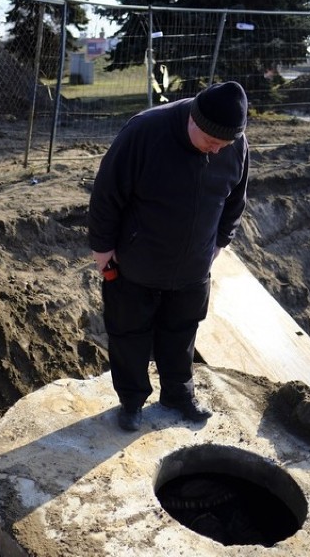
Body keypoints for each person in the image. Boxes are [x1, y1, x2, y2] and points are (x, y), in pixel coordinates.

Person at [88, 81, 249, 432]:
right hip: (137, 261)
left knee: (182, 330)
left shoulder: (231, 144)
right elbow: (106, 194)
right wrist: (103, 250)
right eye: (212, 142)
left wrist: (220, 242)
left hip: (193, 267)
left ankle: (177, 394)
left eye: (225, 144)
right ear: (194, 119)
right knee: (129, 333)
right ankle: (131, 401)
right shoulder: (145, 131)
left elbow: (235, 198)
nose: (218, 151)